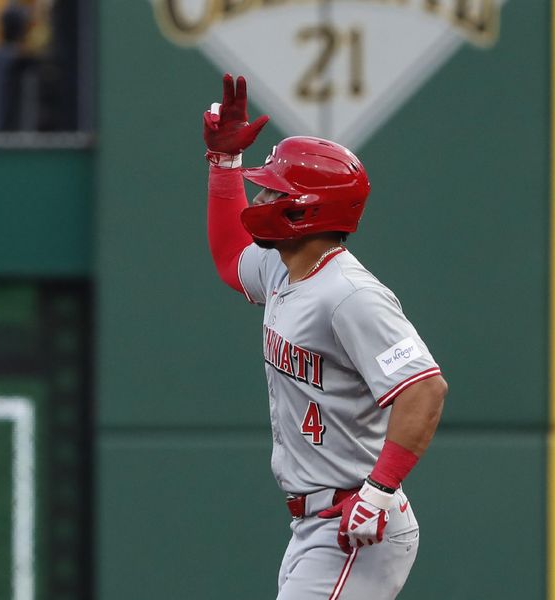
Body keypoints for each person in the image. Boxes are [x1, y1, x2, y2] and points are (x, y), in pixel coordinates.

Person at [204, 73, 448, 599]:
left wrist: (381, 489)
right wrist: (224, 167)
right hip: (314, 524)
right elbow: (229, 257)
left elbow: (425, 389)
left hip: (355, 521)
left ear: (306, 208)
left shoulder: (350, 294)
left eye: (274, 188)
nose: (262, 192)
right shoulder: (283, 268)